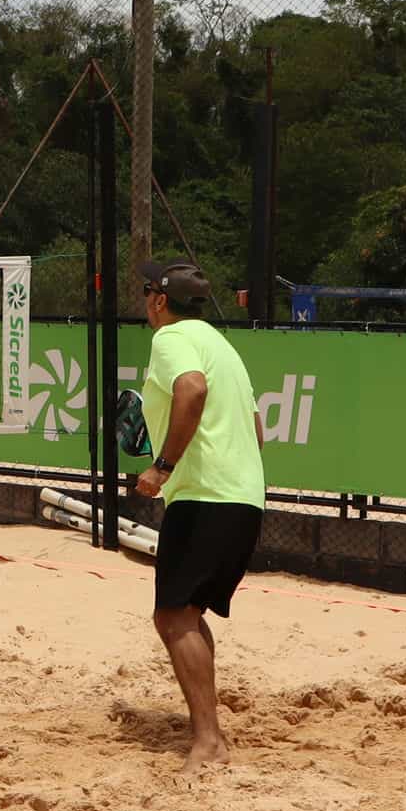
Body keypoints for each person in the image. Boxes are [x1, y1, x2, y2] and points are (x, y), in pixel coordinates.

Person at [130, 258, 265, 775]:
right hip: (243, 497)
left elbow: (191, 389)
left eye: (148, 291)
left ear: (160, 300)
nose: (146, 300)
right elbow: (255, 430)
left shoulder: (171, 339)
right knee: (187, 611)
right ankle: (207, 730)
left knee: (172, 615)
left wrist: (163, 466)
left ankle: (209, 741)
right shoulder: (223, 347)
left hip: (206, 497)